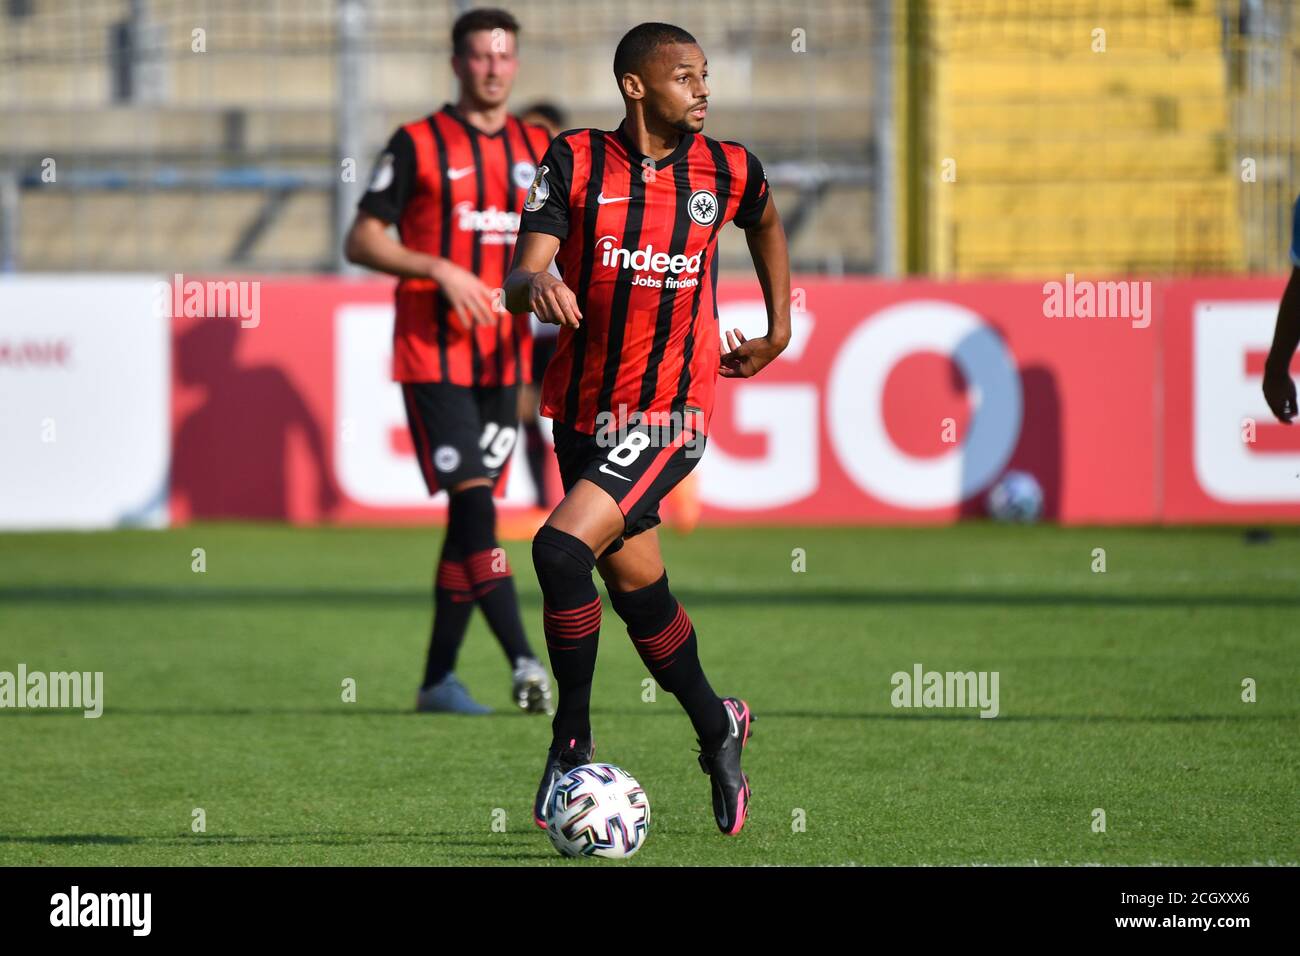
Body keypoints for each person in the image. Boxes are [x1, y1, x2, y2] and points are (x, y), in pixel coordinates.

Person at [505, 22, 791, 835]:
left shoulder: (729, 169)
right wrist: (539, 285)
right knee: (638, 594)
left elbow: (765, 222)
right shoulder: (575, 160)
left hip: (670, 413)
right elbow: (520, 272)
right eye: (685, 76)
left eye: (706, 76)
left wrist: (779, 329)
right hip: (584, 413)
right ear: (636, 85)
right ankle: (718, 725)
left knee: (560, 550)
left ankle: (570, 742)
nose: (702, 89)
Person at [344, 8, 552, 716]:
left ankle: (437, 681)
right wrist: (438, 267)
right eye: (480, 56)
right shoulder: (417, 143)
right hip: (433, 355)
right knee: (475, 505)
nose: (494, 68)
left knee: (469, 522)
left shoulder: (537, 147)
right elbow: (362, 238)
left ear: (515, 63)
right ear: (456, 63)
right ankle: (524, 658)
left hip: (504, 360)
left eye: (505, 56)